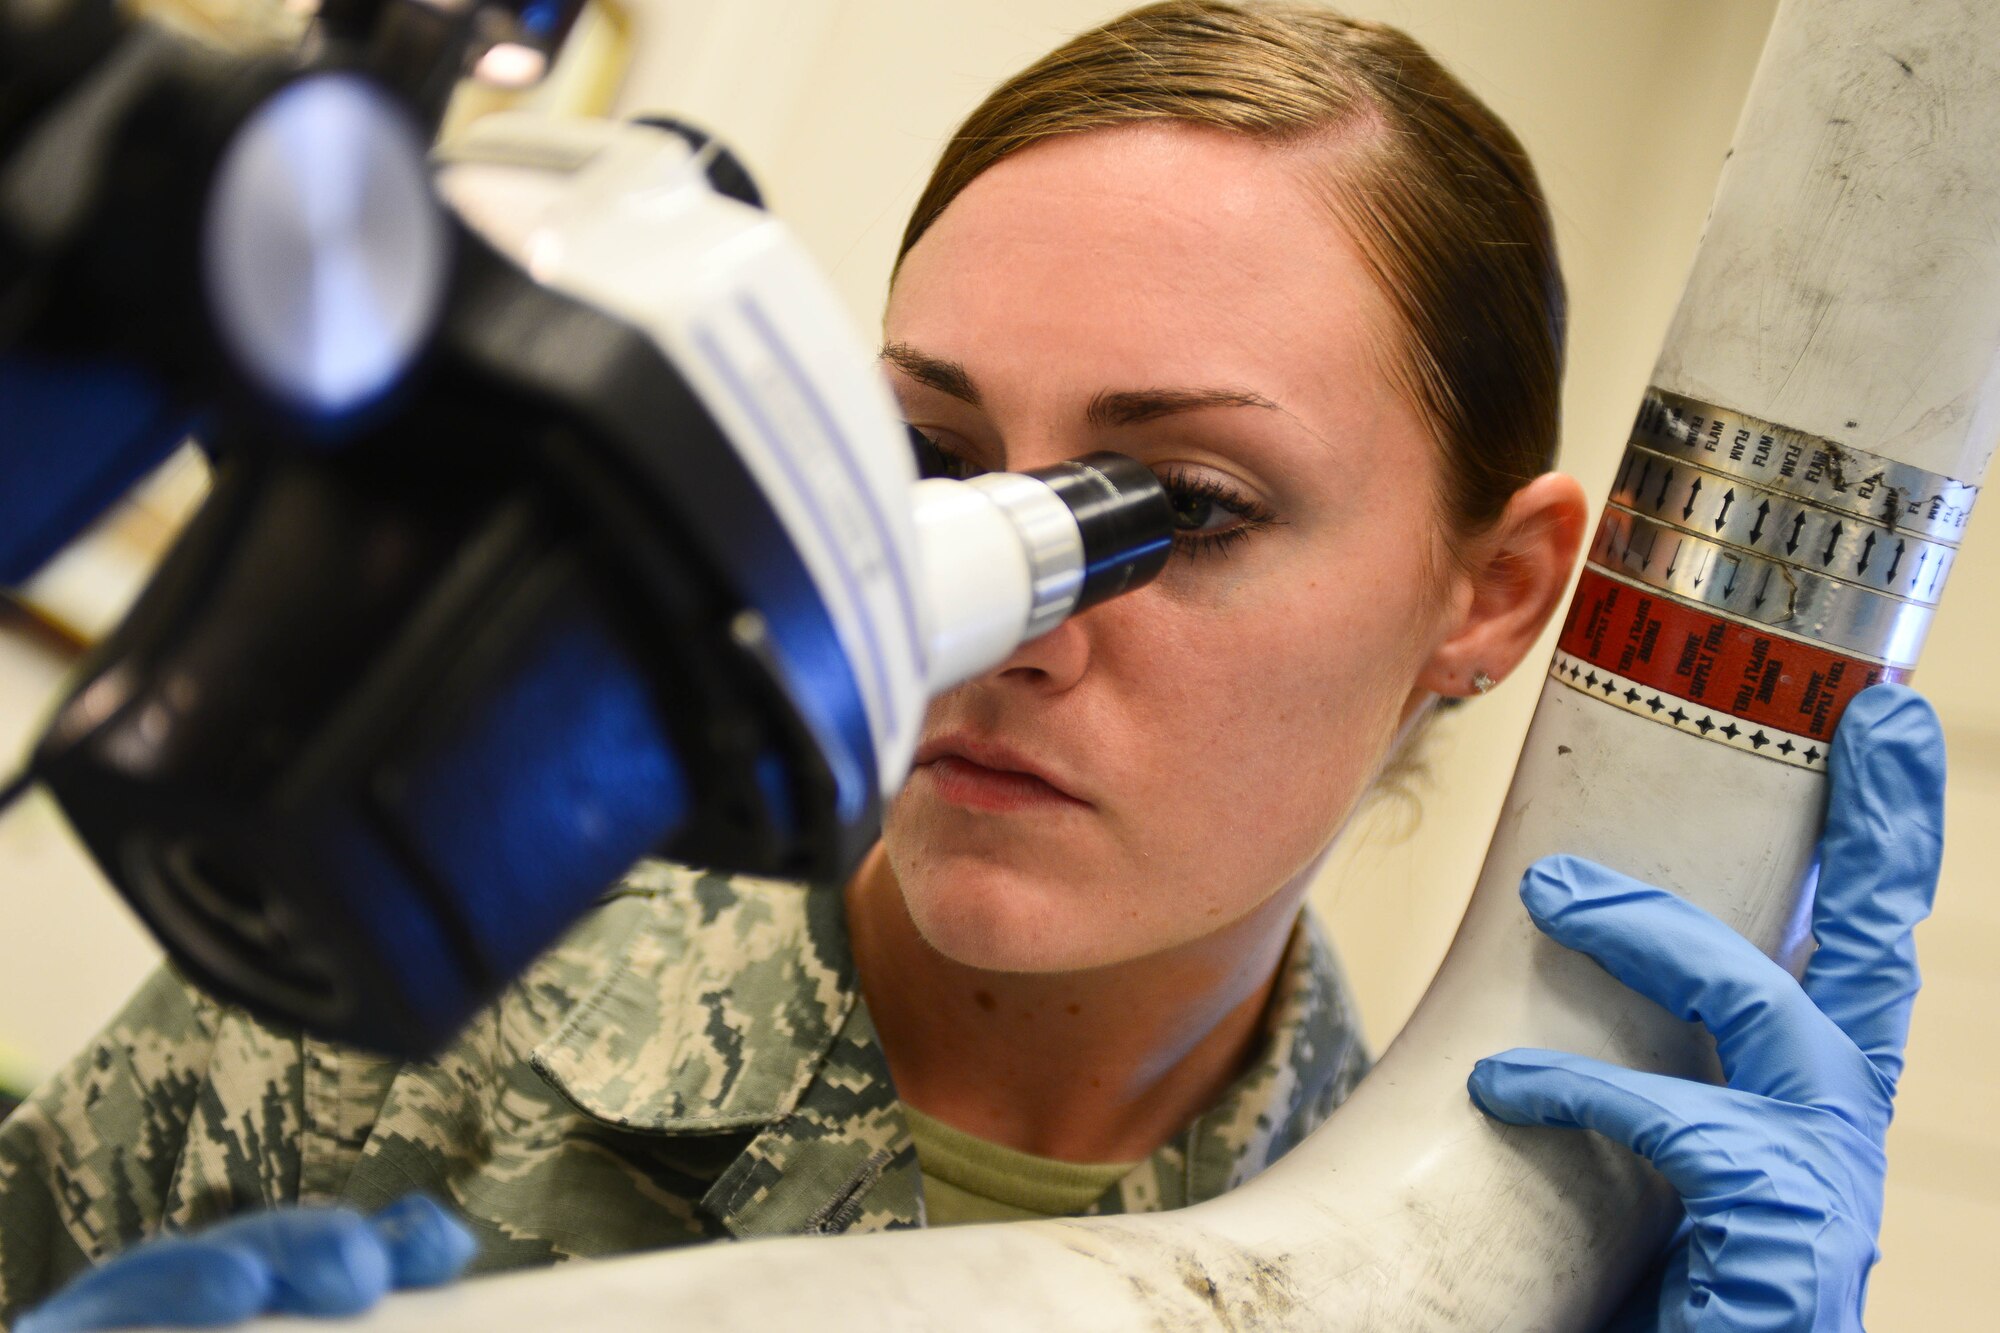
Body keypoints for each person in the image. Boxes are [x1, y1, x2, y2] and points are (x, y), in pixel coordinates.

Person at [0, 3, 1944, 1330]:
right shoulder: (398, 963)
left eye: (1171, 503)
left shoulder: (1469, 1254)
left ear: (1492, 592)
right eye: (926, 462)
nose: (992, 610)